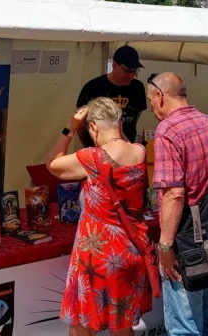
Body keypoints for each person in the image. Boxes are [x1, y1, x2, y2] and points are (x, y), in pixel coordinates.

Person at [45, 97, 153, 336]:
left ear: (93, 127)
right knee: (122, 325)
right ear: (119, 124)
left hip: (97, 256)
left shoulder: (92, 158)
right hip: (129, 252)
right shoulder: (139, 152)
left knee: (81, 328)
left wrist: (70, 128)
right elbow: (122, 144)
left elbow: (52, 165)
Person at [149, 72, 208, 336]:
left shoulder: (167, 130)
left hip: (187, 248)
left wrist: (165, 245)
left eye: (150, 101)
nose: (151, 108)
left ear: (160, 96)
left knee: (184, 328)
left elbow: (174, 194)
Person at [76, 45, 148, 143]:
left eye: (134, 71)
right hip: (98, 151)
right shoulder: (93, 87)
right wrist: (89, 147)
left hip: (127, 149)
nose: (131, 76)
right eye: (127, 71)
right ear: (114, 65)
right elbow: (80, 124)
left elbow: (136, 117)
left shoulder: (138, 87)